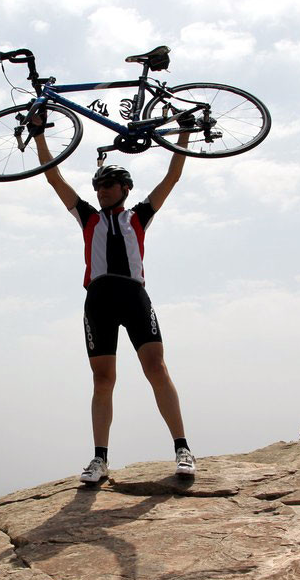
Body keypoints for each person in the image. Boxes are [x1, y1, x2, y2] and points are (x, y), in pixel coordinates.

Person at [31, 112, 196, 484]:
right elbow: (53, 176)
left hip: (134, 296)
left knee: (156, 369)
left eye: (109, 185)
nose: (101, 190)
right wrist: (39, 134)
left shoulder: (139, 216)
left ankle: (182, 449)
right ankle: (100, 460)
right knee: (102, 379)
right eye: (99, 186)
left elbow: (171, 177)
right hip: (99, 301)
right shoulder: (87, 217)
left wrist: (183, 134)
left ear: (124, 188)